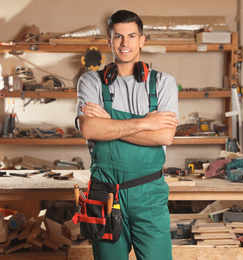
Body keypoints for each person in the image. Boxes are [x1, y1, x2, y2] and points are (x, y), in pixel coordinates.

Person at [75, 10, 179, 260]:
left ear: (142, 40)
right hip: (104, 196)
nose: (125, 43)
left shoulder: (163, 83)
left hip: (149, 196)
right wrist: (146, 123)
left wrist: (109, 124)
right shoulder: (90, 82)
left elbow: (164, 136)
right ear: (109, 41)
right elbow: (89, 129)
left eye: (132, 36)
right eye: (118, 36)